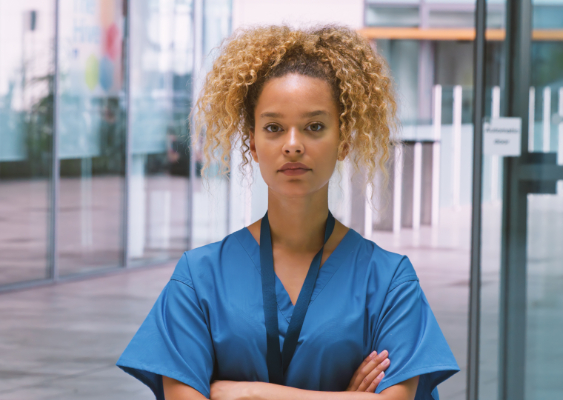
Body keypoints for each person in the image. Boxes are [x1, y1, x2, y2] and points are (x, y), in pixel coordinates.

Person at [117, 25, 459, 400]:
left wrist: (247, 394)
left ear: (343, 140)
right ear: (252, 142)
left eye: (314, 127)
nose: (293, 145)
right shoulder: (199, 278)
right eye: (274, 128)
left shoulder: (389, 281)